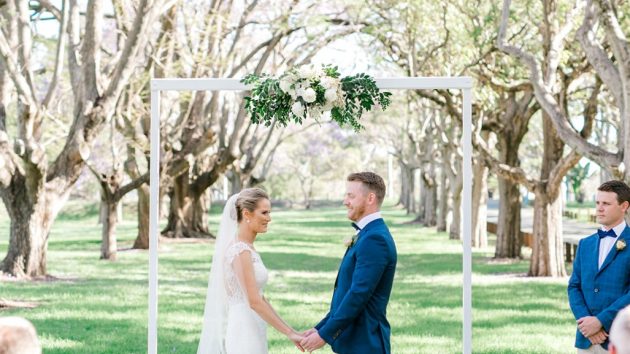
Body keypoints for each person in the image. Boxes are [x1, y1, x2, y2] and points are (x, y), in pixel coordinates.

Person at [197, 188, 304, 354]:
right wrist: (289, 334)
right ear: (246, 214)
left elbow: (260, 297)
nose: (269, 218)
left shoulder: (247, 247)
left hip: (254, 325)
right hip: (244, 330)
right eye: (264, 213)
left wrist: (292, 331)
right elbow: (254, 301)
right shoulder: (240, 251)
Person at [301, 172, 397, 353]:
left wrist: (324, 335)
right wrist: (320, 327)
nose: (345, 201)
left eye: (351, 196)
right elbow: (346, 294)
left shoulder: (375, 239)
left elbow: (358, 294)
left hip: (366, 343)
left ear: (370, 198)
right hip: (354, 343)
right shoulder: (367, 234)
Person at [568, 180, 630, 353]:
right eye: (597, 203)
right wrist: (586, 322)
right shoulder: (585, 244)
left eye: (606, 204)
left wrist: (601, 321)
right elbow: (574, 286)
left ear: (624, 206)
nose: (599, 208)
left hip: (622, 338)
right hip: (586, 338)